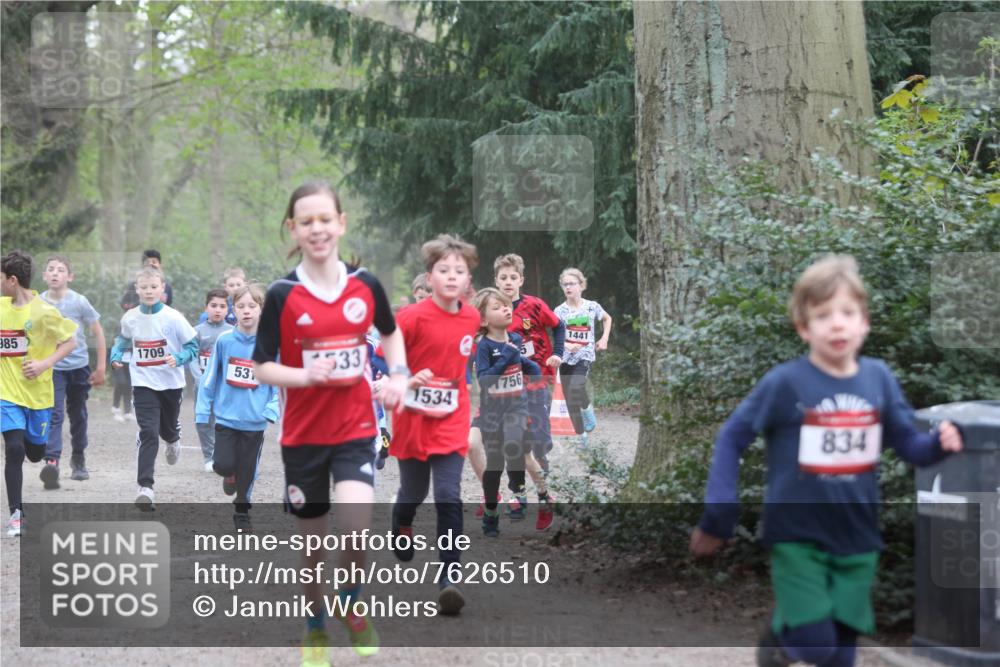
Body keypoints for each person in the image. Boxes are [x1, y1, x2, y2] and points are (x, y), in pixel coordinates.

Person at [689, 255, 965, 667]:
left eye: (848, 313)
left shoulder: (879, 379)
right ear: (804, 327)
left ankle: (793, 633)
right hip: (797, 536)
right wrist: (719, 513)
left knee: (841, 649)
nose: (837, 324)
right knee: (816, 643)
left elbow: (909, 446)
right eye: (823, 315)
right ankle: (781, 640)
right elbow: (732, 438)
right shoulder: (785, 383)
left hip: (858, 537)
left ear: (864, 322)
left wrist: (939, 445)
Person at [253, 181, 408, 664]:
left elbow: (390, 332)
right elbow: (261, 365)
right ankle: (315, 623)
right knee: (313, 548)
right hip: (302, 439)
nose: (317, 229)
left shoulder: (365, 285)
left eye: (325, 219)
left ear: (341, 223)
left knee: (357, 531)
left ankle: (350, 605)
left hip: (357, 430)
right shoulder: (282, 294)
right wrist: (303, 375)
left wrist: (398, 375)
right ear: (293, 229)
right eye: (306, 221)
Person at [388, 234, 480, 616]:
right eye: (444, 270)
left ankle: (449, 579)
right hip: (412, 420)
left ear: (468, 278)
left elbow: (460, 367)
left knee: (448, 494)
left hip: (451, 418)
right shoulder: (410, 317)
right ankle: (401, 525)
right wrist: (406, 376)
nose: (452, 276)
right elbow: (387, 359)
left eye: (459, 270)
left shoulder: (472, 316)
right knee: (413, 491)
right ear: (429, 277)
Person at [2, 251, 78, 537]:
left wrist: (45, 363)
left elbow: (70, 342)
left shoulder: (44, 312)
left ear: (12, 280)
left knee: (34, 452)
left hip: (38, 396)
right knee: (14, 449)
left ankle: (41, 451)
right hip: (6, 393)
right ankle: (16, 513)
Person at [110, 266, 198, 510]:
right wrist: (116, 356)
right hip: (143, 383)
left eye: (153, 287)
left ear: (162, 289)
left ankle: (173, 439)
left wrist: (179, 358)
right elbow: (123, 340)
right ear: (137, 290)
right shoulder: (130, 317)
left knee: (167, 429)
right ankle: (145, 487)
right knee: (148, 431)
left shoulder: (173, 317)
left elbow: (193, 346)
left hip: (171, 383)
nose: (149, 291)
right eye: (144, 287)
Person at [196, 283, 277, 533]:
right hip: (227, 418)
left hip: (255, 421)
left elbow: (279, 382)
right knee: (222, 464)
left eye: (252, 306)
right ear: (234, 310)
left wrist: (272, 408)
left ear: (262, 309)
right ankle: (228, 474)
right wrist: (202, 409)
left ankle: (242, 510)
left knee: (248, 470)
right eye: (240, 306)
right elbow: (210, 377)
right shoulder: (225, 340)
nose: (246, 311)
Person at [494, 253, 563, 515]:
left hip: (539, 378)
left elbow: (559, 326)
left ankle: (545, 487)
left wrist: (558, 353)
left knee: (541, 440)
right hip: (508, 384)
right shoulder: (491, 308)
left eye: (513, 277)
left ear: (521, 280)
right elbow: (480, 337)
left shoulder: (534, 305)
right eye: (503, 277)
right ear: (496, 280)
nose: (508, 281)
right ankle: (518, 493)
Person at [473, 287, 543, 537]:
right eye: (497, 307)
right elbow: (485, 381)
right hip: (493, 413)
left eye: (506, 305)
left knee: (514, 446)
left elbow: (520, 362)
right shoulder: (483, 347)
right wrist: (506, 358)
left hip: (517, 407)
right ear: (483, 320)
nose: (505, 309)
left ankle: (519, 491)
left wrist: (533, 367)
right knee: (494, 465)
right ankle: (491, 512)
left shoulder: (514, 340)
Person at [39, 254, 107, 485]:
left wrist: (100, 367)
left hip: (78, 367)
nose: (56, 273)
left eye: (60, 269)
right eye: (51, 269)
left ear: (70, 276)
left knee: (78, 415)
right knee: (54, 414)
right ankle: (52, 462)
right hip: (52, 367)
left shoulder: (79, 301)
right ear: (44, 275)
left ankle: (78, 459)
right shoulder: (38, 303)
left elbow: (97, 332)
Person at [554, 267, 612, 446]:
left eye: (572, 284)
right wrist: (565, 344)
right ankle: (582, 435)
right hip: (565, 358)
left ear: (581, 286)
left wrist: (604, 339)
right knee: (569, 398)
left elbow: (607, 319)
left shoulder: (591, 307)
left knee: (576, 387)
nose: (568, 287)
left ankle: (587, 411)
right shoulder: (559, 311)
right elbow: (556, 336)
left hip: (584, 355)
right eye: (565, 284)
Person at [191, 289, 234, 471]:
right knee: (203, 421)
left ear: (228, 310)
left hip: (224, 387)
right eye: (213, 306)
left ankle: (224, 454)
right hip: (202, 387)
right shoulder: (196, 332)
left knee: (224, 421)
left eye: (222, 306)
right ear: (206, 308)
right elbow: (192, 357)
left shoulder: (233, 332)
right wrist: (199, 379)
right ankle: (209, 457)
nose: (218, 310)